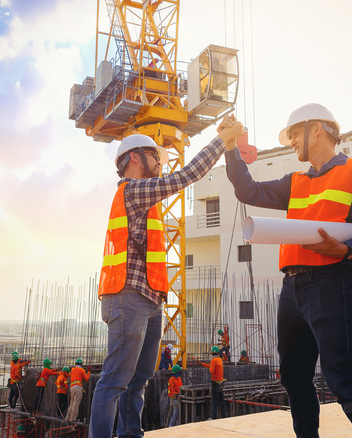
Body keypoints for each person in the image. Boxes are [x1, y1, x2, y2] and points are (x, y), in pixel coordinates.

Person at [225, 103, 352, 438]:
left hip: (333, 282)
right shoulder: (294, 181)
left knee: (347, 384)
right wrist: (230, 149)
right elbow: (247, 190)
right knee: (294, 378)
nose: (291, 141)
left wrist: (350, 248)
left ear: (318, 129)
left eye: (294, 134)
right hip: (292, 289)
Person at [89, 115, 245, 438]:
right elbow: (186, 176)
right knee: (116, 378)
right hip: (126, 296)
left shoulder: (146, 199)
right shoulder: (133, 191)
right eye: (154, 157)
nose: (159, 162)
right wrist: (222, 140)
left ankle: (131, 433)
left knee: (139, 378)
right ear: (134, 157)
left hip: (149, 298)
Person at [198, 346, 227, 419]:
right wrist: (203, 364)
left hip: (215, 384)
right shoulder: (219, 359)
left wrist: (209, 367)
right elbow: (212, 366)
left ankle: (214, 417)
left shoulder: (213, 360)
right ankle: (224, 417)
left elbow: (211, 371)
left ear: (212, 353)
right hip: (221, 383)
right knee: (222, 401)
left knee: (214, 402)